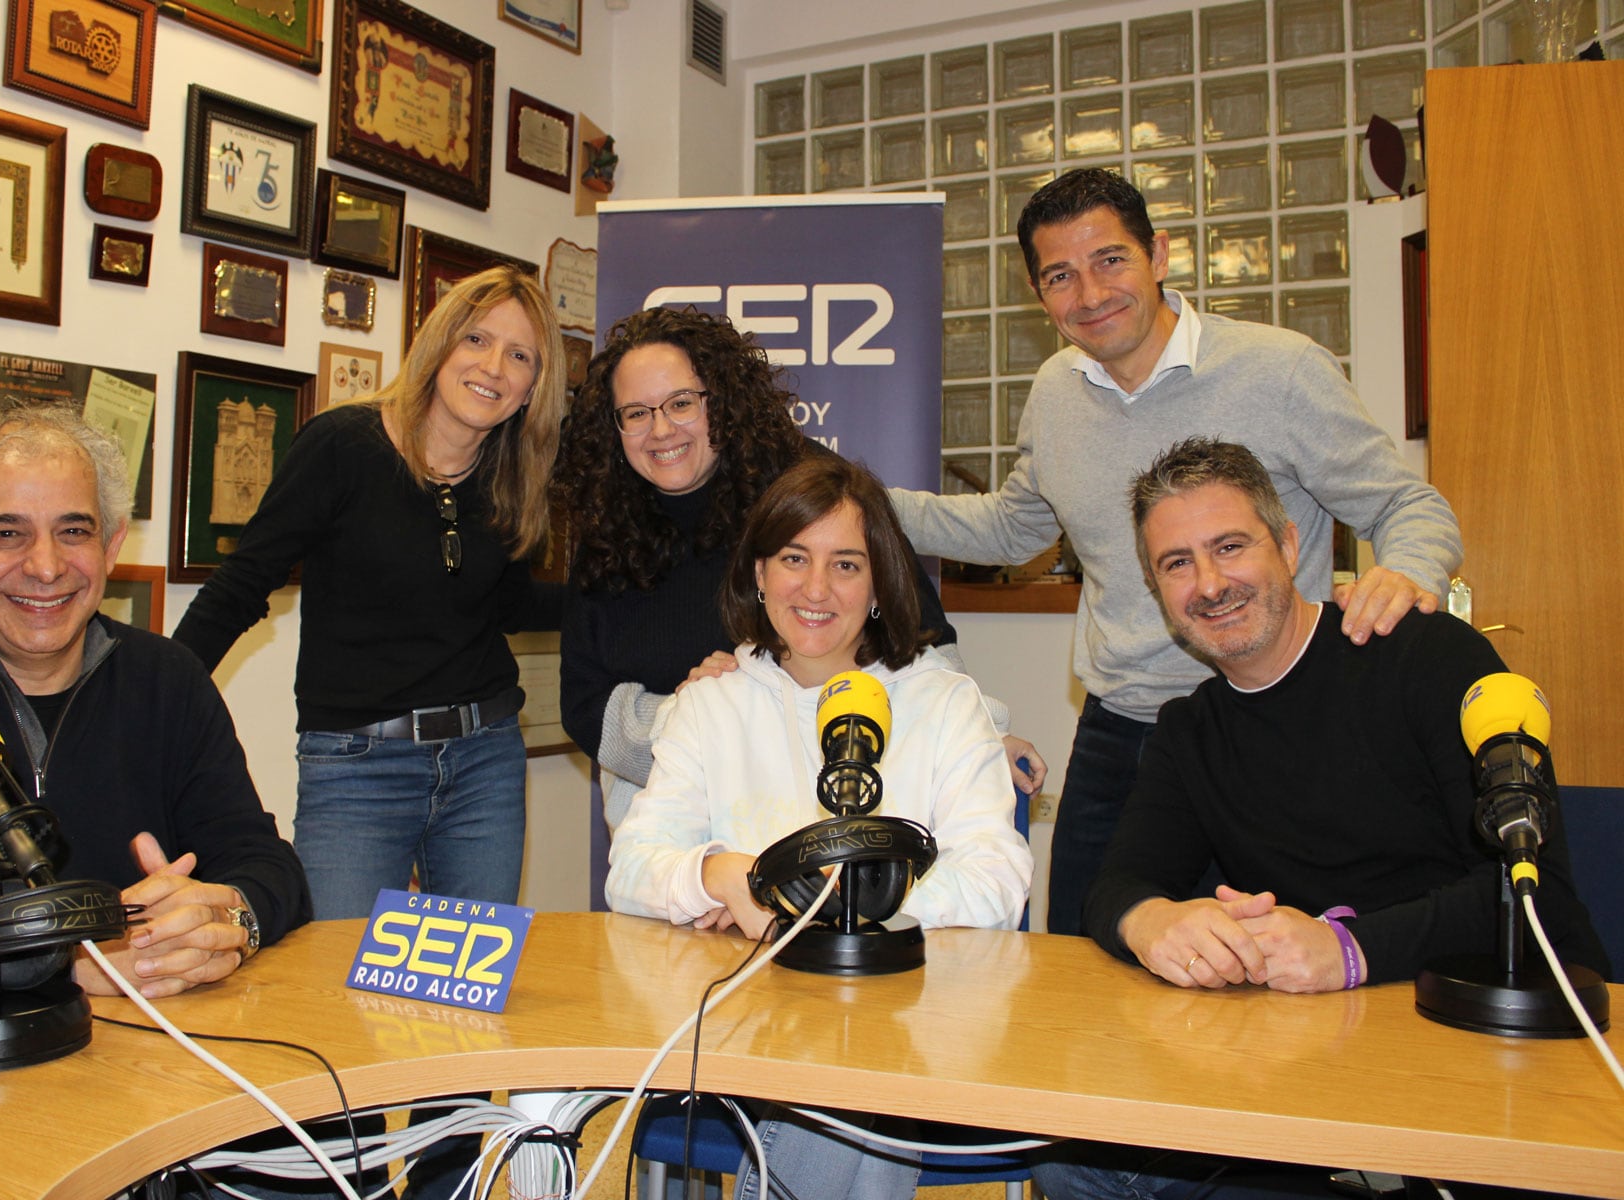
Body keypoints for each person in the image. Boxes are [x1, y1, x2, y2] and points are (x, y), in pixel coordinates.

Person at [888, 168, 1464, 935]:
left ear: (1159, 254)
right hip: (1118, 735)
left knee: (1277, 969)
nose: (1090, 294)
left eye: (1110, 260)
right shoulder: (1057, 390)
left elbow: (1408, 504)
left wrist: (1406, 574)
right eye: (1061, 276)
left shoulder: (1280, 370)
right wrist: (858, 501)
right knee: (1092, 964)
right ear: (1040, 296)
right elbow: (1014, 527)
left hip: (1267, 729)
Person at [1028, 438, 1606, 1200]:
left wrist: (1347, 949)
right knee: (1079, 1167)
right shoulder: (1189, 730)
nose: (1209, 584)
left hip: (1485, 1064)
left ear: (1291, 544)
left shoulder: (1429, 659)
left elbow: (1539, 901)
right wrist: (1155, 922)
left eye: (1229, 547)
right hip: (1314, 1083)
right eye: (1176, 564)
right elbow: (1118, 885)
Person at [608, 454, 1033, 1200]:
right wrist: (716, 873)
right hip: (746, 1032)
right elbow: (633, 867)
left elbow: (997, 876)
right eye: (793, 559)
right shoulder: (713, 704)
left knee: (854, 1083)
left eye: (846, 565)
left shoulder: (943, 701)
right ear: (760, 574)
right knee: (848, 1098)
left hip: (907, 1026)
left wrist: (847, 916)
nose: (815, 589)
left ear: (878, 586)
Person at [0, 406, 310, 1008]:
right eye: (7, 533)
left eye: (73, 531)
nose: (47, 566)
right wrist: (61, 962)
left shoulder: (168, 679)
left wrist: (225, 920)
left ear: (110, 548)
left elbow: (267, 866)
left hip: (140, 1063)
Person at [555, 305, 1043, 834]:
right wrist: (692, 720)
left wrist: (976, 737)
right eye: (636, 412)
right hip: (676, 826)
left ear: (721, 400)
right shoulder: (604, 521)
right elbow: (585, 705)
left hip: (829, 806)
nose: (661, 429)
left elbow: (921, 641)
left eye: (681, 403)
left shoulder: (808, 486)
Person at [173, 265, 565, 921]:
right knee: (333, 986)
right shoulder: (342, 446)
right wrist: (158, 703)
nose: (493, 366)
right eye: (476, 340)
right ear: (439, 347)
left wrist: (632, 606)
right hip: (356, 766)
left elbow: (510, 608)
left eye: (519, 354)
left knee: (470, 987)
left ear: (532, 388)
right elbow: (242, 586)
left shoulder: (513, 477)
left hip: (483, 760)